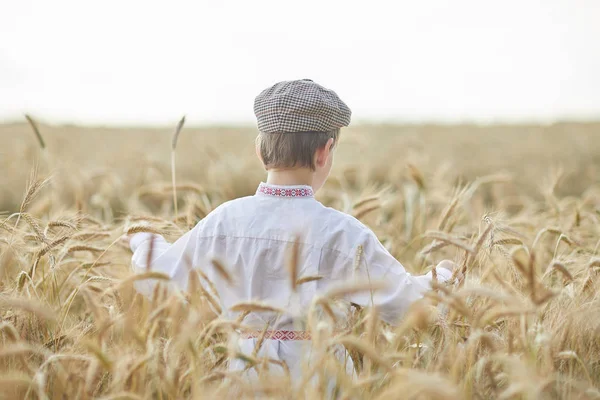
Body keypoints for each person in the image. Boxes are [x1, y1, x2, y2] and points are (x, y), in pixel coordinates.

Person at [125, 79, 455, 380]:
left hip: (245, 373)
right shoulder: (343, 234)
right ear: (325, 152)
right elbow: (407, 305)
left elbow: (157, 277)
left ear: (260, 150)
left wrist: (144, 240)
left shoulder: (223, 221)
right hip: (320, 376)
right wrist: (444, 279)